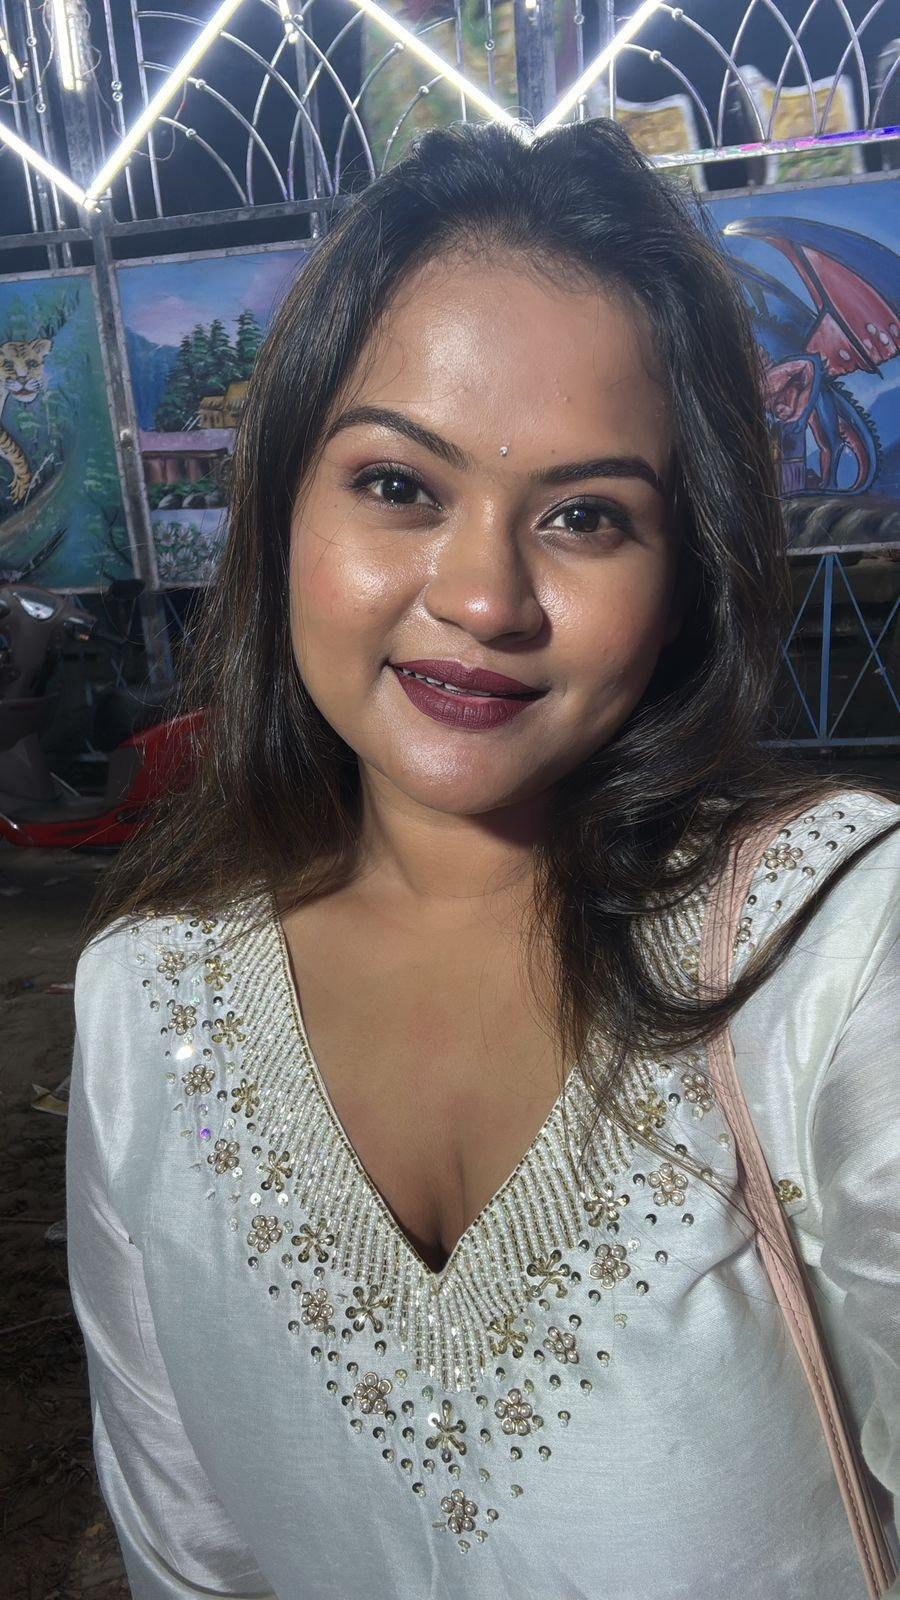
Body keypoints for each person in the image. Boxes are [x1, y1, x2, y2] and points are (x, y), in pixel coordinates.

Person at [67, 119, 899, 1599]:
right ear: (281, 507)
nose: (484, 596)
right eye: (400, 486)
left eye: (586, 516)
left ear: (683, 572)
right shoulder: (146, 1014)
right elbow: (188, 1563)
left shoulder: (832, 945)